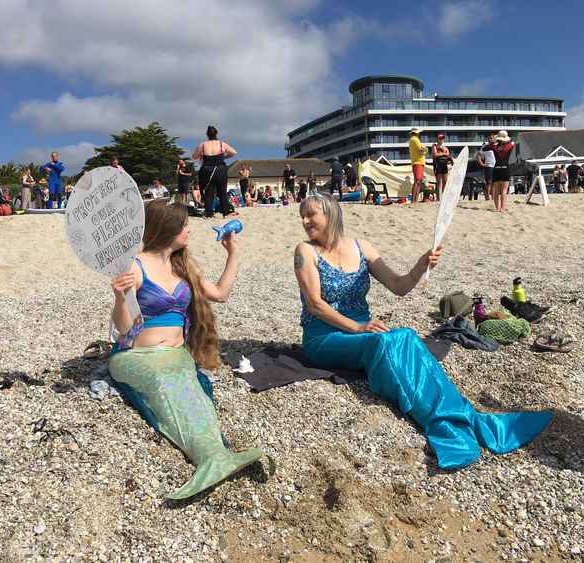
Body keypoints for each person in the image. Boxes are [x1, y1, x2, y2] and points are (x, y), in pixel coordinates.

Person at [293, 194, 552, 469]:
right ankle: (441, 424)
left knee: (404, 336)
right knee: (384, 343)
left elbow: (398, 285)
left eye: (311, 214)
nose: (305, 221)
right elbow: (315, 304)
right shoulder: (305, 251)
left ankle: (468, 417)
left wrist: (421, 265)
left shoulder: (360, 247)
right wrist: (358, 327)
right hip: (325, 336)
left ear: (331, 214)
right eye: (302, 216)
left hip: (364, 330)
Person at [108, 202, 269, 499]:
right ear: (166, 228)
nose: (188, 230)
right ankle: (209, 459)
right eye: (183, 225)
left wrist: (233, 253)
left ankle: (216, 455)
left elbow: (220, 294)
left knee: (192, 390)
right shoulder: (135, 266)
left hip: (176, 355)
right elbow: (123, 326)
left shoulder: (182, 266)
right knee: (169, 385)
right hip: (137, 356)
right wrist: (120, 297)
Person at [192, 125, 237, 218]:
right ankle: (225, 213)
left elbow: (194, 156)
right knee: (222, 193)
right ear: (216, 133)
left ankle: (209, 213)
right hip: (220, 170)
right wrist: (224, 156)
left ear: (207, 134)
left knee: (209, 193)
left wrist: (202, 155)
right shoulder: (221, 144)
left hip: (207, 170)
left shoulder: (203, 145)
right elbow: (234, 152)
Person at [484, 131, 515, 212]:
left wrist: (493, 142)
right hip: (505, 169)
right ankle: (502, 208)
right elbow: (513, 143)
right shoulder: (509, 146)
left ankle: (497, 208)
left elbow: (485, 148)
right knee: (504, 191)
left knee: (497, 191)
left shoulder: (494, 147)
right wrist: (507, 141)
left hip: (496, 168)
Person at [408, 128, 427, 207]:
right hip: (418, 162)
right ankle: (414, 200)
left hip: (417, 162)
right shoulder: (415, 140)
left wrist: (424, 149)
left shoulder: (412, 140)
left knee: (417, 181)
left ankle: (414, 200)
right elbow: (421, 150)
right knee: (417, 181)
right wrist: (425, 149)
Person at [432, 133, 451, 199]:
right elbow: (435, 155)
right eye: (440, 138)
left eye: (442, 138)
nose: (441, 139)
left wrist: (441, 154)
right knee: (438, 182)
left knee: (445, 182)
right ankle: (438, 198)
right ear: (437, 139)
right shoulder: (434, 146)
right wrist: (443, 153)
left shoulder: (445, 147)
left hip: (444, 165)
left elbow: (448, 154)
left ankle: (444, 197)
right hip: (438, 164)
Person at [477, 132, 496, 200]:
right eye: (489, 138)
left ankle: (493, 198)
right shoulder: (485, 146)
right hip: (489, 166)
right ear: (487, 138)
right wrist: (482, 163)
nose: (491, 139)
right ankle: (487, 197)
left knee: (494, 183)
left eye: (492, 138)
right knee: (489, 182)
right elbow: (478, 155)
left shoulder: (496, 145)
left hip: (496, 166)